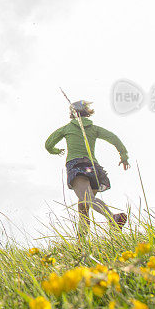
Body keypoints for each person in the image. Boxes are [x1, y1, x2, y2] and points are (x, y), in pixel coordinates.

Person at [44, 100, 129, 237]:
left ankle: (113, 218)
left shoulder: (67, 128)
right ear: (86, 112)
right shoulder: (94, 129)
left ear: (72, 113)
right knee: (83, 209)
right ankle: (82, 244)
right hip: (93, 168)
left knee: (87, 199)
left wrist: (55, 150)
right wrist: (123, 156)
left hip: (77, 166)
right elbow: (114, 138)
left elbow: (48, 144)